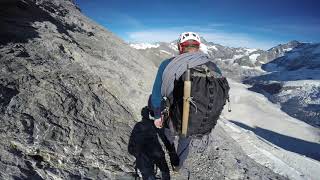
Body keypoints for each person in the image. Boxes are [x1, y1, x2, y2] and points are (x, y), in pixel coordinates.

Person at [149, 32, 228, 172]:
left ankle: (170, 151)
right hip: (195, 117)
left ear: (180, 47)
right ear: (198, 47)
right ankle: (177, 166)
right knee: (185, 138)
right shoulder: (213, 66)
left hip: (173, 116)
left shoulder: (168, 64)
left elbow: (156, 94)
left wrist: (156, 116)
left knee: (169, 134)